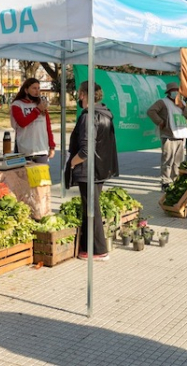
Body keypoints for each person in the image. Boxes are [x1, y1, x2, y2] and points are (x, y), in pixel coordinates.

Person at [65, 81, 119, 261]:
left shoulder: (89, 116)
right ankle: (89, 247)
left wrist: (73, 162)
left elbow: (86, 150)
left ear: (83, 95)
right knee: (92, 208)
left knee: (91, 210)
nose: (78, 96)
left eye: (80, 93)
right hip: (99, 169)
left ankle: (98, 250)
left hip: (89, 170)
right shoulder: (105, 114)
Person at [147, 82, 187, 191]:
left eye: (177, 90)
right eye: (173, 90)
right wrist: (160, 122)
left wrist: (182, 107)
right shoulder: (162, 102)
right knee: (167, 159)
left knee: (178, 161)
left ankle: (175, 180)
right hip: (168, 135)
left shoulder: (182, 103)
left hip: (180, 135)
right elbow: (151, 111)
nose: (175, 92)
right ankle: (165, 181)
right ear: (168, 92)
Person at [10, 78, 55, 164]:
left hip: (41, 150)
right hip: (25, 150)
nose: (37, 91)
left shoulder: (40, 104)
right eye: (34, 88)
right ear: (26, 90)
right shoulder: (17, 104)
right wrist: (37, 110)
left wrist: (52, 146)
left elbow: (47, 126)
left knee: (42, 177)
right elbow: (22, 123)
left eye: (38, 88)